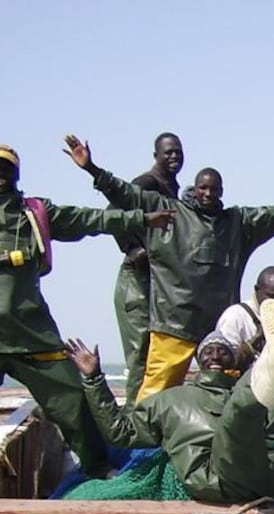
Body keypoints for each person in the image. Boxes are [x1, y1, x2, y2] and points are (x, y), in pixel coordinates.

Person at [0, 145, 175, 500]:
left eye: (6, 169)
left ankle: (98, 465)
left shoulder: (35, 211)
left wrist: (142, 220)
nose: (0, 174)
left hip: (31, 333)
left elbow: (92, 219)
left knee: (71, 397)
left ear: (16, 174)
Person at [63, 134, 274, 403]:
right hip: (173, 325)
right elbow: (124, 193)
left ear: (222, 191)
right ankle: (142, 451)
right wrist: (91, 168)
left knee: (226, 395)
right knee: (153, 397)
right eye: (203, 188)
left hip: (216, 334)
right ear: (195, 188)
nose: (208, 193)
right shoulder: (170, 212)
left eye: (214, 189)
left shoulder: (238, 223)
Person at [68, 302, 274, 502]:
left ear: (234, 360)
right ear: (198, 363)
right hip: (210, 475)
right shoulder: (170, 402)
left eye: (223, 349)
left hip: (257, 472)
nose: (216, 353)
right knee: (240, 414)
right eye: (208, 350)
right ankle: (273, 361)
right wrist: (94, 379)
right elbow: (120, 432)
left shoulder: (251, 395)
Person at [112, 132, 184, 406]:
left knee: (156, 354)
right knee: (140, 356)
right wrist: (132, 249)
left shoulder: (172, 187)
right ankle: (134, 425)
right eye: (168, 152)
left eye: (178, 151)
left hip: (156, 283)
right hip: (136, 281)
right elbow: (113, 212)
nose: (174, 156)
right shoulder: (146, 183)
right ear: (156, 156)